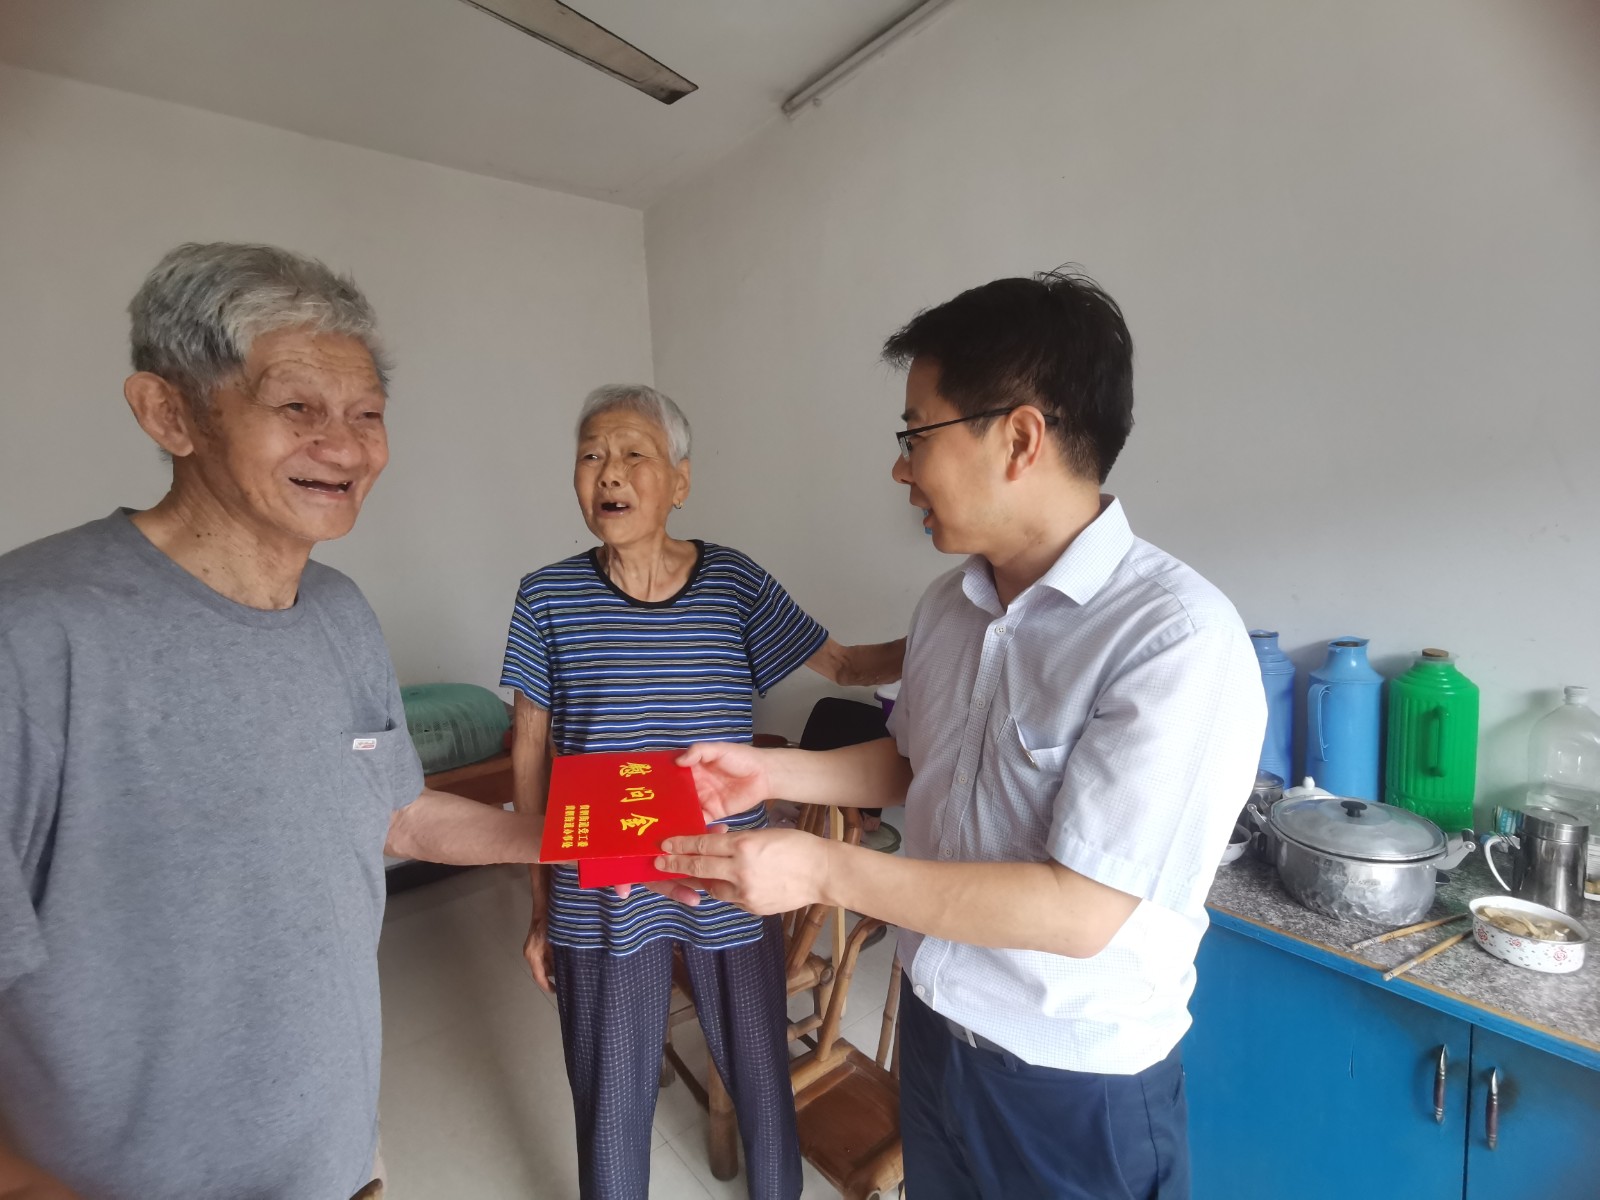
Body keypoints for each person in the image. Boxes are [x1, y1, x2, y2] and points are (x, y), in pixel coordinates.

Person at [655, 271, 1267, 1200]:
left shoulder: (1174, 640)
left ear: (1018, 438)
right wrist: (771, 773)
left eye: (916, 435)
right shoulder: (950, 605)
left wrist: (820, 870)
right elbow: (915, 762)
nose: (901, 469)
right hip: (936, 1036)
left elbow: (1078, 910)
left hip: (1073, 1088)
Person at [0, 243, 546, 1200]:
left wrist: (580, 840)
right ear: (169, 413)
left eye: (367, 413)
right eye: (297, 406)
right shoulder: (31, 633)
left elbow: (395, 813)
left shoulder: (339, 611)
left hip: (340, 1157)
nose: (346, 447)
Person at [501, 384, 903, 1200]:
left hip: (726, 866)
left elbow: (845, 665)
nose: (609, 472)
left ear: (679, 482)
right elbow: (529, 752)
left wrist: (965, 629)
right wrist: (542, 905)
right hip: (602, 881)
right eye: (590, 455)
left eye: (633, 454)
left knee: (761, 1075)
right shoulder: (546, 597)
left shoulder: (733, 583)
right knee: (610, 1099)